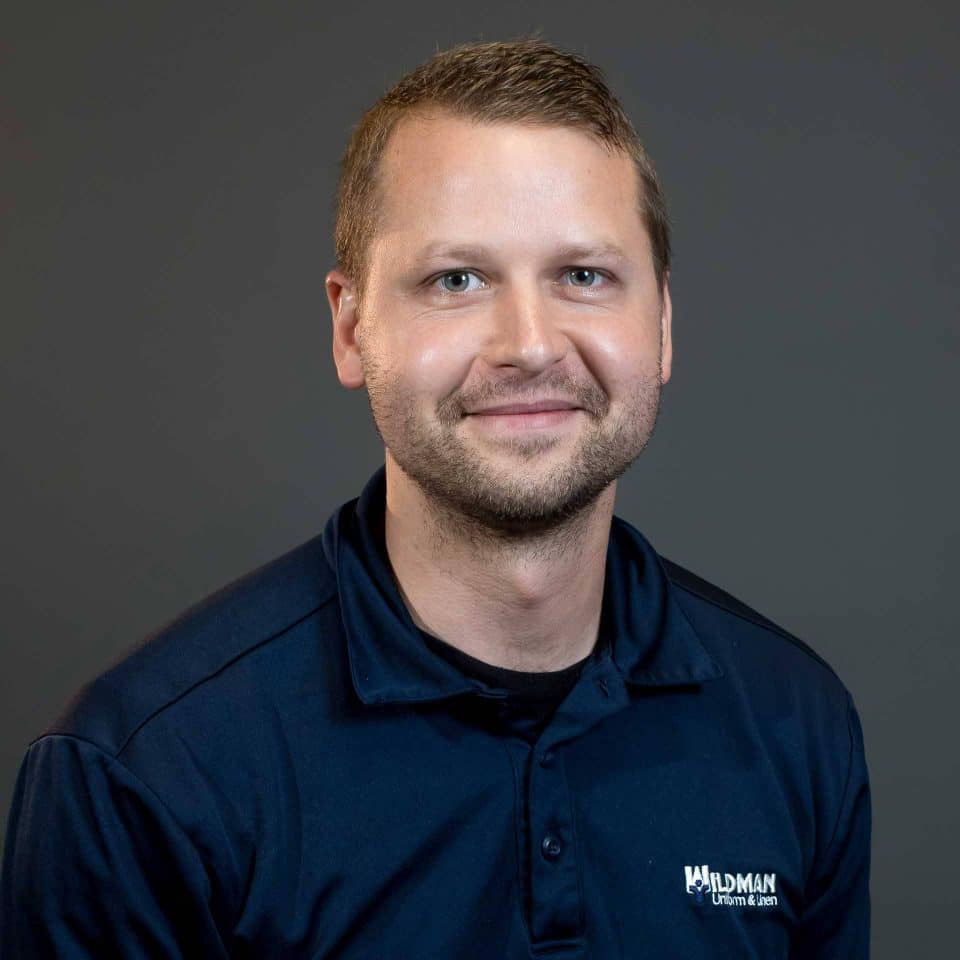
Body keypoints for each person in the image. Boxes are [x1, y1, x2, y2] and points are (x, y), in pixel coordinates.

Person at [0, 37, 870, 958]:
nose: (530, 344)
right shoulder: (143, 778)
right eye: (457, 279)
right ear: (350, 327)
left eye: (583, 276)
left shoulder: (796, 722)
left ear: (659, 324)